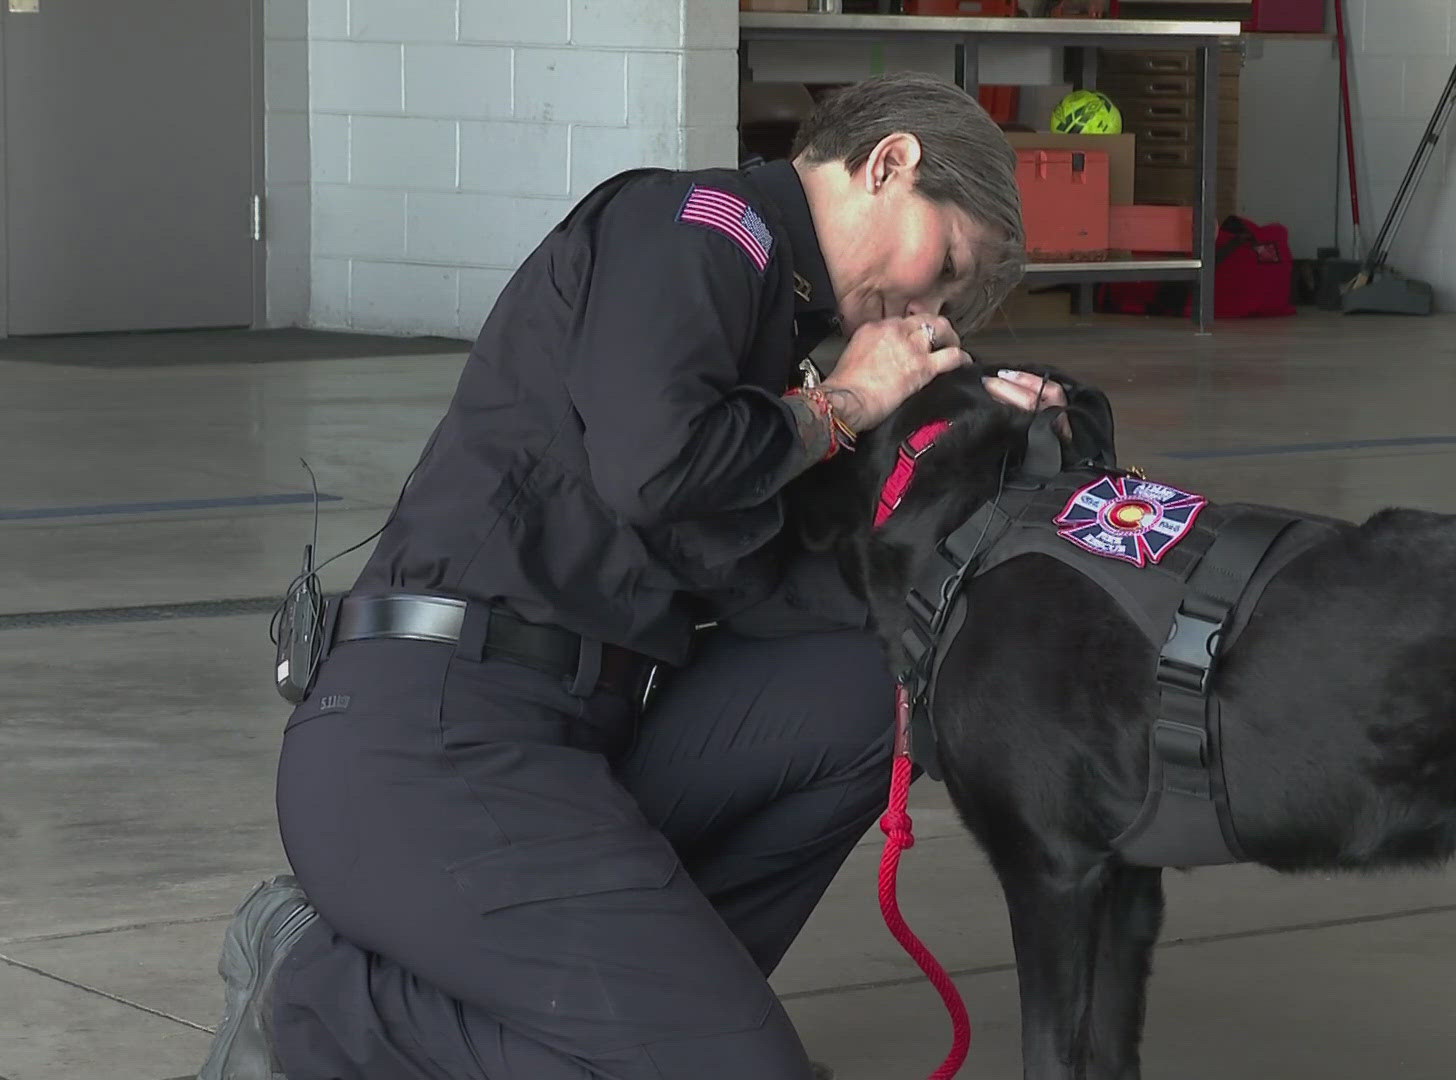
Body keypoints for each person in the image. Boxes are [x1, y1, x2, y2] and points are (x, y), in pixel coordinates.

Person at [197, 72, 1070, 1080]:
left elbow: (776, 591)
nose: (931, 304)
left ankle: (667, 1020)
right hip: (437, 734)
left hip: (577, 738)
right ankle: (315, 994)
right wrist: (844, 403)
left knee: (887, 686)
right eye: (947, 262)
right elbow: (660, 465)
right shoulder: (699, 229)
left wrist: (985, 439)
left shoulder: (771, 330)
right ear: (890, 163)